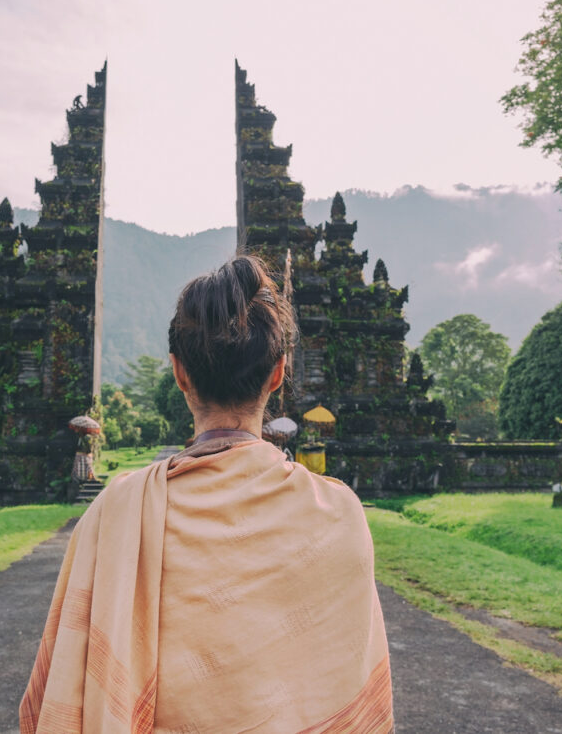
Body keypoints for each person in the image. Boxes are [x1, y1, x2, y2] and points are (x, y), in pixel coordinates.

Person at [20, 255, 393, 733]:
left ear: (179, 373)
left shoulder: (117, 512)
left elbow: (68, 691)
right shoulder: (339, 513)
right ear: (278, 373)